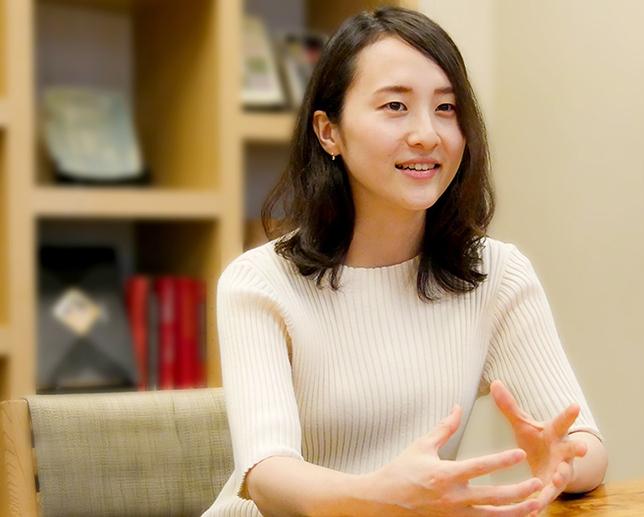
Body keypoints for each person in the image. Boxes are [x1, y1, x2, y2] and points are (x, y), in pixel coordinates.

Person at [203, 6, 607, 516]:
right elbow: (267, 477)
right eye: (395, 106)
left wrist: (565, 460)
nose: (427, 134)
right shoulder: (260, 282)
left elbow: (584, 444)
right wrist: (382, 498)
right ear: (329, 132)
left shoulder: (496, 276)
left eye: (445, 108)